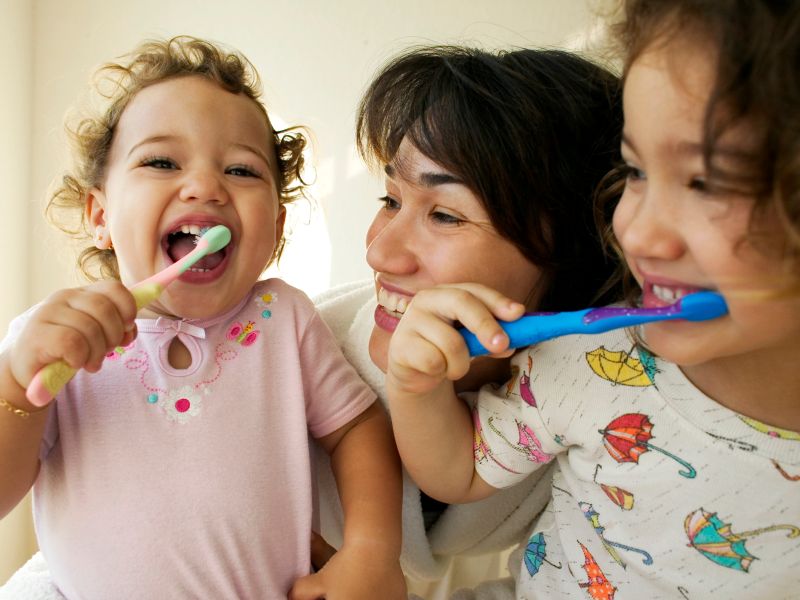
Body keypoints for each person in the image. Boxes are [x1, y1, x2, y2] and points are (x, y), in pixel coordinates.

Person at [384, 1, 800, 598]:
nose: (636, 230)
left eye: (707, 182)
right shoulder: (598, 362)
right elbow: (459, 472)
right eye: (635, 171)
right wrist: (414, 384)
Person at [0, 36, 404, 599]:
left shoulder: (283, 318)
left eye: (241, 171)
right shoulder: (54, 342)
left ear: (278, 226)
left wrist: (370, 553)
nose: (206, 186)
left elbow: (357, 430)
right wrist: (16, 386)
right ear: (99, 215)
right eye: (161, 161)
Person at [313, 45, 624, 599]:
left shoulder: (603, 398)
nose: (380, 254)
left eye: (445, 215)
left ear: (579, 251)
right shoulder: (291, 355)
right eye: (389, 200)